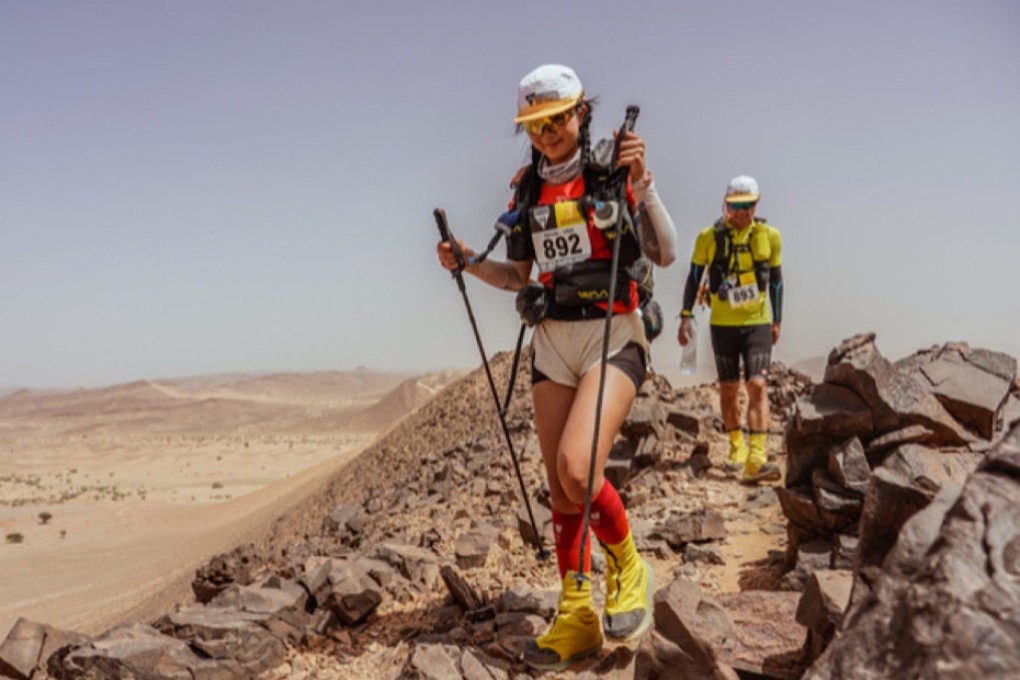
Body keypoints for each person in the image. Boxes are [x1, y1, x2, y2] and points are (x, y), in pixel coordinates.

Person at [437, 64, 677, 671]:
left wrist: (642, 185)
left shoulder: (610, 173)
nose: (547, 133)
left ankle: (629, 565)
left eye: (557, 119)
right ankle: (576, 618)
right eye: (535, 124)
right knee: (561, 493)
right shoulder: (525, 190)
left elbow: (665, 251)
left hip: (611, 338)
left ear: (580, 114)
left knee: (577, 468)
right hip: (551, 346)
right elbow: (517, 277)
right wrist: (467, 261)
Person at [677, 175, 783, 484]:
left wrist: (777, 319)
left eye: (748, 206)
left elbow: (776, 280)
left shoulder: (769, 236)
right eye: (736, 206)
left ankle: (757, 457)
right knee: (728, 388)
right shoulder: (708, 237)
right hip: (722, 324)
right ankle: (736, 447)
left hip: (757, 322)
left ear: (755, 205)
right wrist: (685, 315)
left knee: (758, 385)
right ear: (726, 206)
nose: (742, 212)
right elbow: (694, 276)